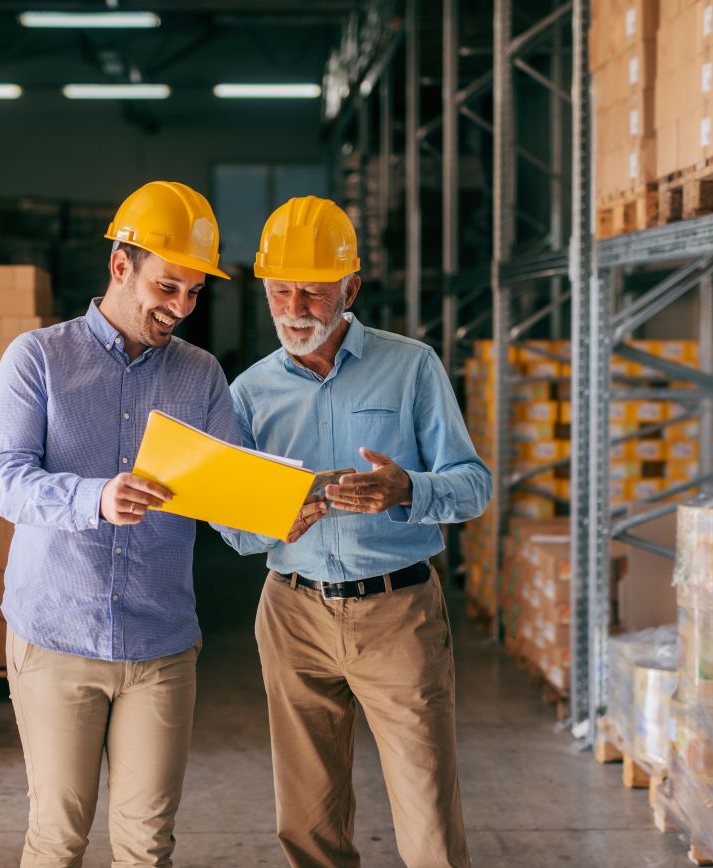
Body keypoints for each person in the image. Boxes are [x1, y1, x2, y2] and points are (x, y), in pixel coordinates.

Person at [219, 196, 492, 868]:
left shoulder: (413, 367)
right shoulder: (248, 393)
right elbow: (231, 529)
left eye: (313, 292)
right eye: (280, 291)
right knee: (308, 818)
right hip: (291, 612)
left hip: (397, 612)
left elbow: (474, 485)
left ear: (351, 288)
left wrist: (408, 490)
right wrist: (272, 520)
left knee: (427, 811)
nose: (294, 309)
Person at [0, 180, 236, 867]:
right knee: (58, 838)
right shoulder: (36, 359)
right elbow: (4, 482)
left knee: (147, 845)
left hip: (160, 643)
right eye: (168, 287)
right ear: (122, 266)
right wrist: (94, 498)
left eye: (193, 293)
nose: (180, 308)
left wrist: (280, 515)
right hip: (58, 635)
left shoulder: (202, 376)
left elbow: (226, 498)